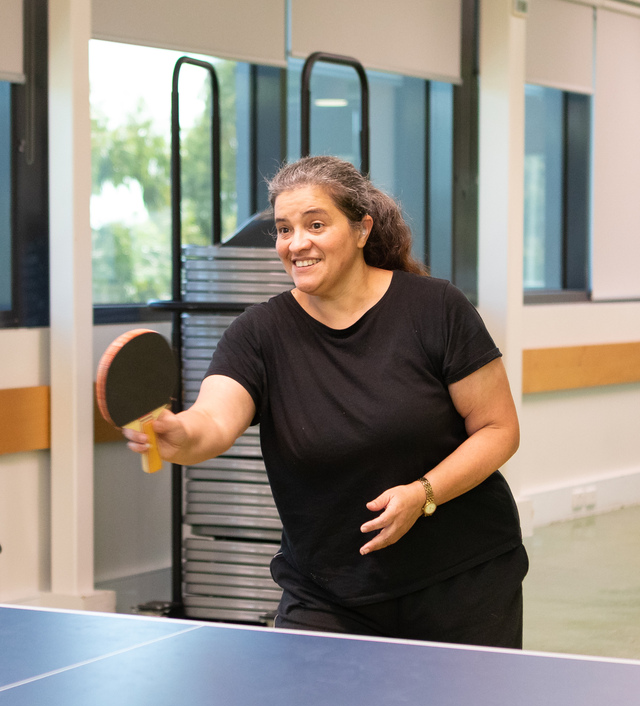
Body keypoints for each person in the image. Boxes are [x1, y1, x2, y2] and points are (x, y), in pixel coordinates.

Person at [125, 155, 528, 648]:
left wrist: (423, 494)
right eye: (284, 229)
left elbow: (498, 429)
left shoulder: (437, 308)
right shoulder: (258, 334)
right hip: (327, 592)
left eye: (315, 225)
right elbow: (212, 422)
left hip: (462, 583)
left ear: (362, 230)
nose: (296, 243)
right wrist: (178, 434)